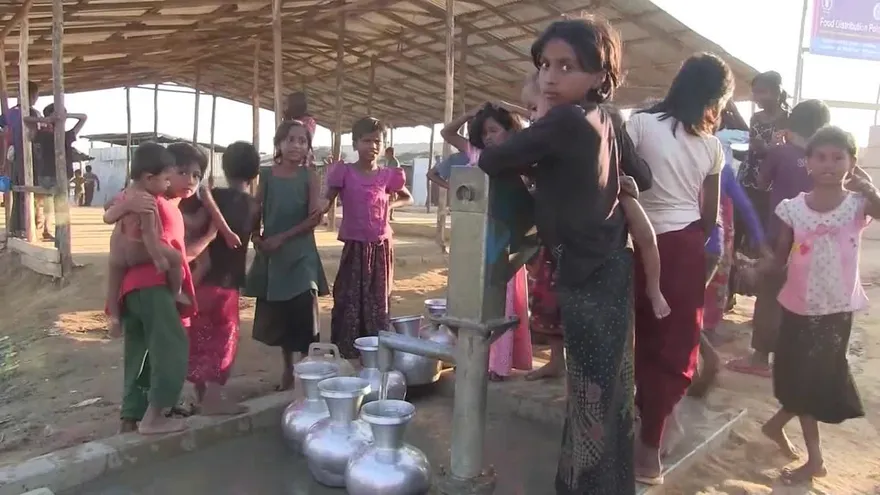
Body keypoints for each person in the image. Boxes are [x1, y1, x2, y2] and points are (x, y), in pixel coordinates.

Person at [478, 16, 636, 493]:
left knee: (588, 394)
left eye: (567, 66)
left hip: (585, 272)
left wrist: (542, 149)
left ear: (599, 75)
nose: (550, 77)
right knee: (611, 390)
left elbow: (492, 159)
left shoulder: (563, 120)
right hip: (614, 261)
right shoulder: (609, 119)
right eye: (545, 65)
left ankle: (581, 487)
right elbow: (642, 176)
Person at [627, 53, 732, 484]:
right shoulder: (711, 146)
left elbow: (618, 184)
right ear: (715, 99)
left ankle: (641, 423)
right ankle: (649, 448)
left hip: (632, 242)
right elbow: (709, 216)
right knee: (673, 347)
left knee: (637, 339)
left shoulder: (638, 124)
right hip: (683, 247)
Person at [755, 126, 869, 485]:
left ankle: (802, 447)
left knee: (816, 380)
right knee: (801, 378)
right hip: (797, 307)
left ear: (852, 163)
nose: (829, 164)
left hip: (836, 311)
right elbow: (780, 256)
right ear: (807, 163)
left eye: (838, 157)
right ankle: (800, 446)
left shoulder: (857, 205)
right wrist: (757, 269)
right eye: (821, 157)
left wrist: (870, 189)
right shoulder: (793, 209)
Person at [101, 142, 204, 435]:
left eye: (196, 175)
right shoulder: (148, 201)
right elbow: (124, 245)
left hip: (135, 291)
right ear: (152, 176)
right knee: (172, 348)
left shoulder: (159, 203)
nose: (187, 180)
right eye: (179, 173)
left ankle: (131, 415)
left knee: (141, 353)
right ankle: (155, 416)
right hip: (152, 287)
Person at [726, 99, 831, 378]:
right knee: (804, 295)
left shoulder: (781, 152)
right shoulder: (824, 158)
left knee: (771, 294)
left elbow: (761, 182)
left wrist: (772, 148)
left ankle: (760, 358)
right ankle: (798, 358)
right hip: (814, 236)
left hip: (780, 231)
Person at [439, 102, 534, 381]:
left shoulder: (519, 154)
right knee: (473, 296)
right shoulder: (477, 154)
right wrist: (471, 115)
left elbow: (536, 123)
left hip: (507, 237)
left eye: (494, 130)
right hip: (478, 234)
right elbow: (447, 133)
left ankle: (499, 365)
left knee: (501, 299)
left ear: (510, 131)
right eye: (484, 132)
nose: (488, 137)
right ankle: (472, 357)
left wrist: (511, 108)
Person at [687, 102, 768, 399]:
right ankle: (701, 363)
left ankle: (702, 365)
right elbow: (745, 205)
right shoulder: (721, 163)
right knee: (691, 306)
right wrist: (759, 240)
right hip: (714, 244)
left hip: (688, 242)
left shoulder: (682, 157)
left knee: (678, 309)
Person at [244, 120, 329, 390]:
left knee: (305, 311)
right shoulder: (267, 176)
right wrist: (255, 236)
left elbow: (313, 218)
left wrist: (282, 237)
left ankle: (307, 372)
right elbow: (256, 209)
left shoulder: (310, 177)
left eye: (302, 141)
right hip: (275, 256)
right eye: (290, 140)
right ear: (279, 144)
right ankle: (288, 370)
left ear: (308, 147)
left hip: (302, 255)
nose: (296, 146)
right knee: (282, 314)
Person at [325, 117, 413, 361]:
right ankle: (348, 348)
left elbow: (407, 198)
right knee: (349, 295)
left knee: (378, 298)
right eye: (366, 141)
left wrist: (389, 205)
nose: (372, 146)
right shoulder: (344, 172)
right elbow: (327, 199)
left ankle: (375, 350)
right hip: (355, 245)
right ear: (355, 144)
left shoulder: (388, 176)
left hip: (380, 246)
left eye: (377, 141)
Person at [187, 141, 260, 415]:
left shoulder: (211, 196)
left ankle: (201, 396)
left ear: (225, 169)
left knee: (200, 336)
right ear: (254, 174)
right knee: (223, 340)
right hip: (227, 283)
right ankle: (214, 399)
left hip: (199, 279)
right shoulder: (254, 206)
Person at [103, 144, 193, 337]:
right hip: (138, 250)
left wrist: (125, 206)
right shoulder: (147, 201)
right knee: (176, 258)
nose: (168, 185)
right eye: (166, 180)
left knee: (113, 285)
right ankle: (176, 291)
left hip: (117, 252)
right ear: (149, 178)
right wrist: (158, 257)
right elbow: (149, 235)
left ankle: (115, 320)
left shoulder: (125, 194)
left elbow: (107, 215)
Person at [729, 71, 790, 306]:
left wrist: (765, 148)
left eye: (762, 92)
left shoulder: (789, 119)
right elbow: (755, 147)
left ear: (776, 92)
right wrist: (762, 147)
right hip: (747, 183)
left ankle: (764, 298)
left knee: (767, 240)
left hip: (772, 188)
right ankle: (730, 291)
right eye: (755, 92)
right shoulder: (756, 118)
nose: (756, 97)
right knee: (737, 235)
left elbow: (779, 151)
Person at [0, 81, 40, 238]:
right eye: (36, 96)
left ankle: (16, 227)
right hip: (28, 157)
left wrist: (5, 158)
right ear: (31, 96)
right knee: (28, 193)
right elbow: (35, 136)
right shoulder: (33, 114)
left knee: (17, 192)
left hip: (13, 158)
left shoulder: (9, 114)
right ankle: (25, 227)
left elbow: (5, 133)